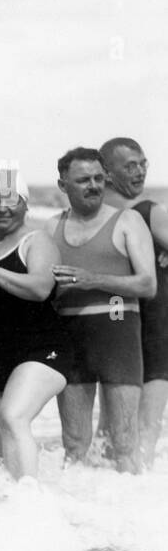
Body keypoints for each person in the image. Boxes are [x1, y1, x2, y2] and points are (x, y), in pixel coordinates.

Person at [49, 147, 156, 473]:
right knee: (74, 444)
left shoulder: (127, 220)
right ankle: (76, 519)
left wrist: (92, 279)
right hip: (70, 339)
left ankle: (131, 517)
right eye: (83, 180)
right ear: (63, 184)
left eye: (98, 178)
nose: (93, 185)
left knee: (124, 442)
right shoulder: (50, 227)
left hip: (117, 332)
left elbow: (147, 285)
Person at [0, 171, 71, 479]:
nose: (2, 207)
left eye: (12, 200)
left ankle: (32, 505)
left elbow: (39, 287)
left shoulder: (36, 241)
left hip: (40, 354)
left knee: (13, 417)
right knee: (4, 465)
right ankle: (16, 517)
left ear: (26, 205)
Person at [100, 138, 168, 467]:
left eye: (143, 164)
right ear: (107, 174)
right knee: (114, 429)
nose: (140, 171)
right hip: (121, 325)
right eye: (130, 166)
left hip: (154, 322)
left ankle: (136, 493)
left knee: (144, 428)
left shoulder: (149, 211)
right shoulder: (111, 217)